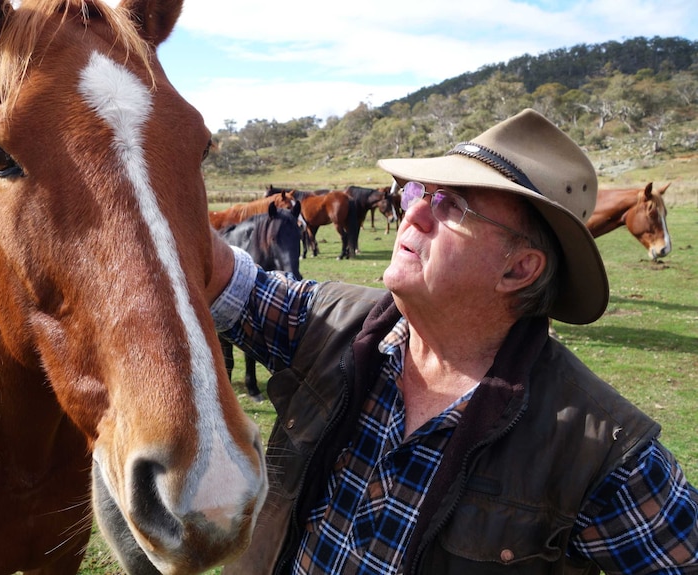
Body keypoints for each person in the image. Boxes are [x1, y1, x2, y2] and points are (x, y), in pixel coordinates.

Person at [207, 109, 697, 575]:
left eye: (449, 204)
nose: (413, 213)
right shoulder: (326, 323)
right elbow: (212, 273)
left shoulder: (604, 455)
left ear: (519, 269)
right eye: (420, 191)